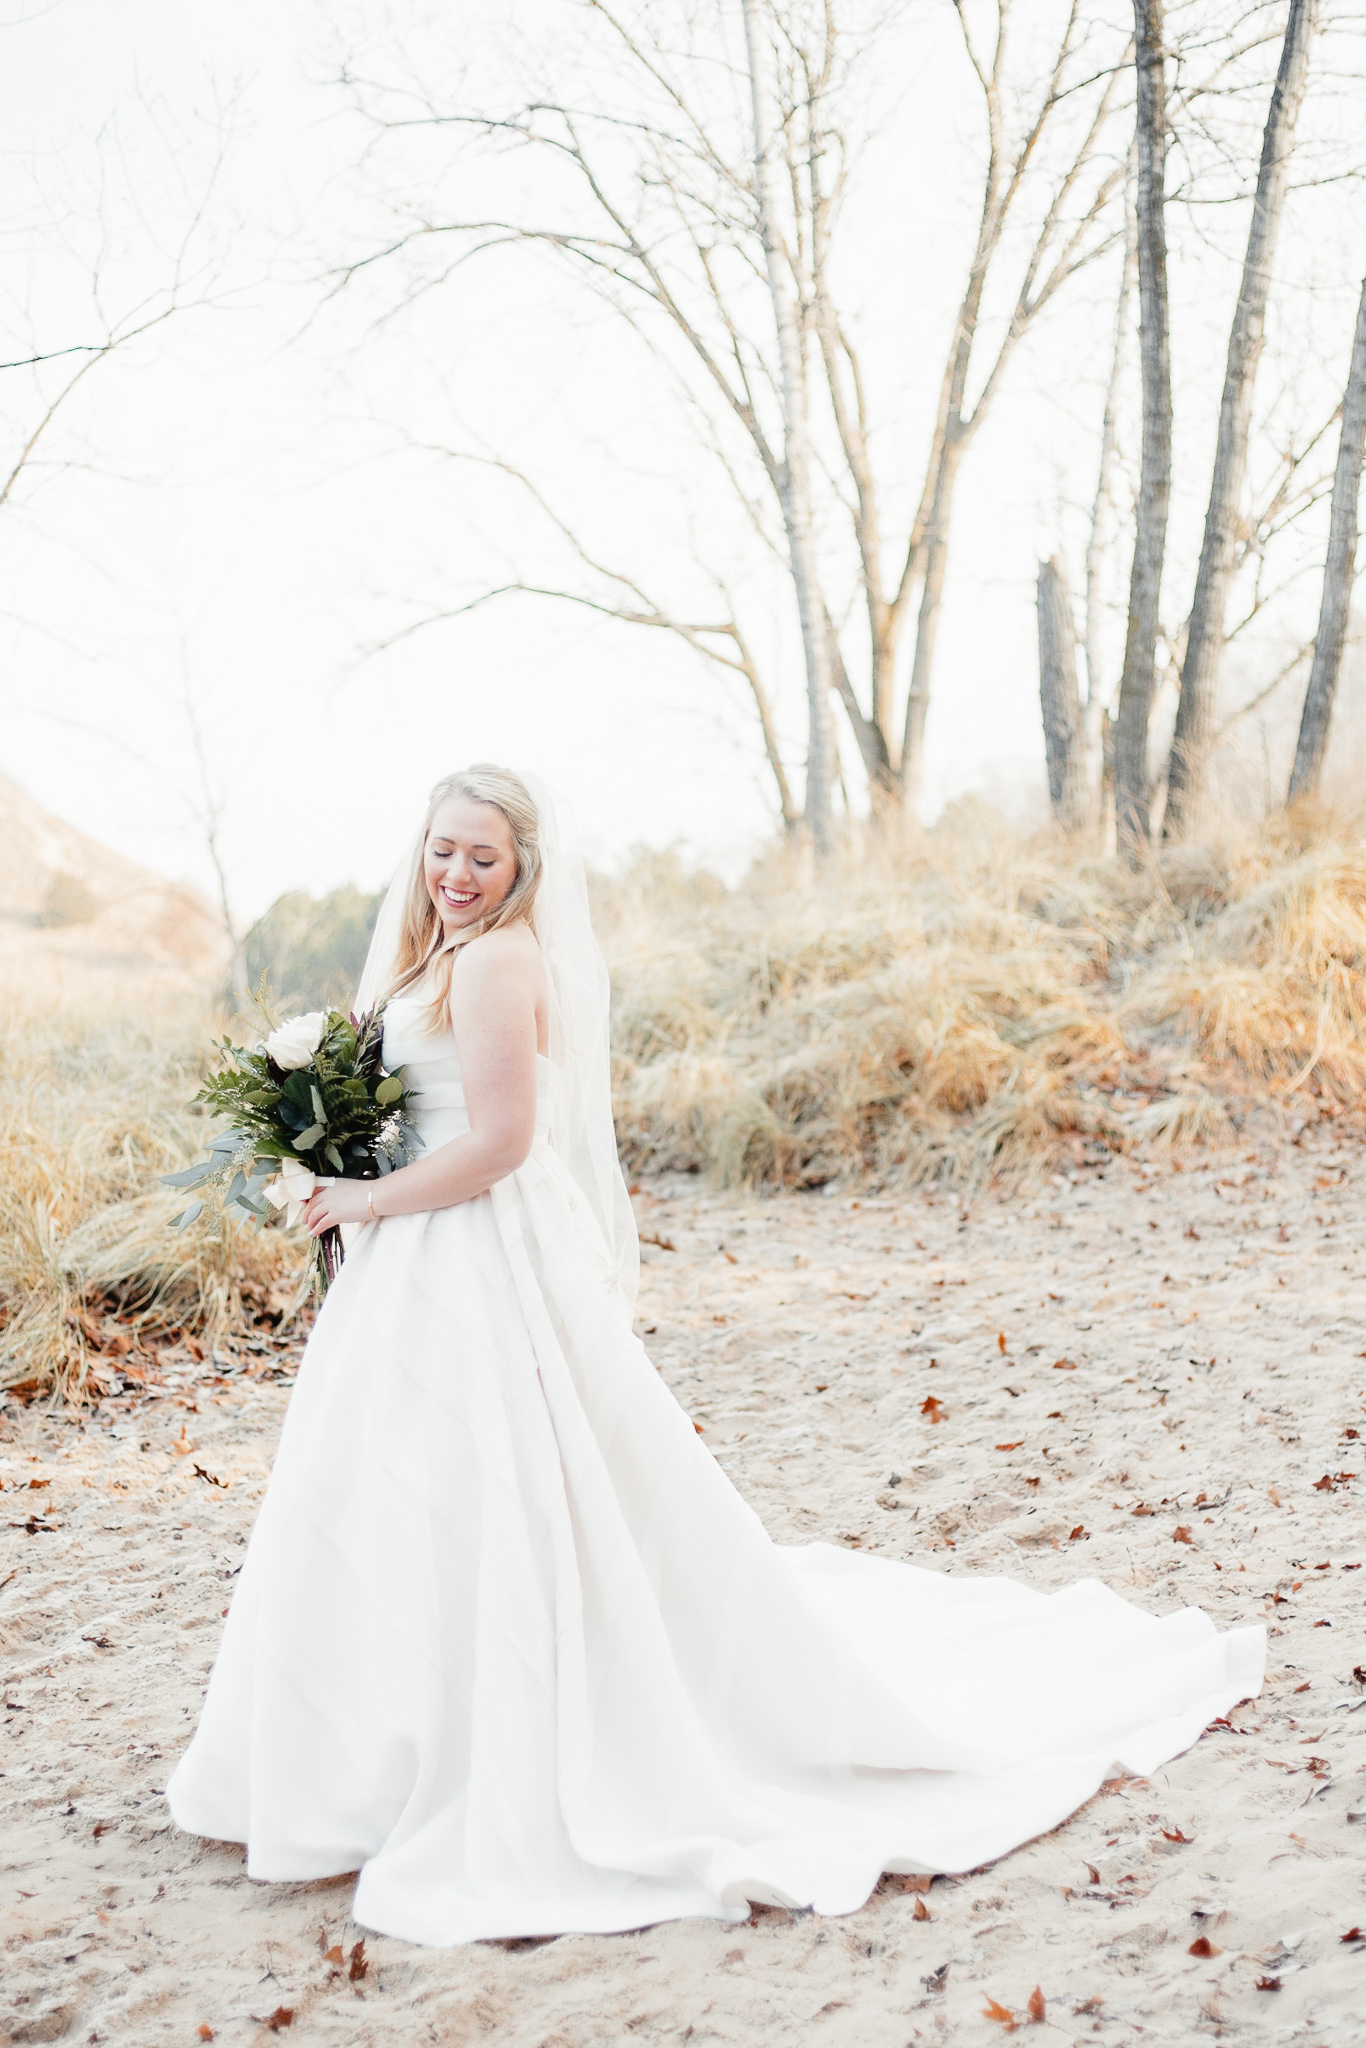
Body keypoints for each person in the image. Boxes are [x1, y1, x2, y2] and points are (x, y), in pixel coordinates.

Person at [166, 765, 1264, 1948]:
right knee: (402, 1488)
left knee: (487, 1483)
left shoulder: (495, 960)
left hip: (465, 1244)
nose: (456, 873)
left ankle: (449, 1739)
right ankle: (378, 1737)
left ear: (522, 865)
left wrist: (360, 1197)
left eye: (483, 857)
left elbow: (497, 1142)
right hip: (413, 1255)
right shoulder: (431, 955)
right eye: (442, 849)